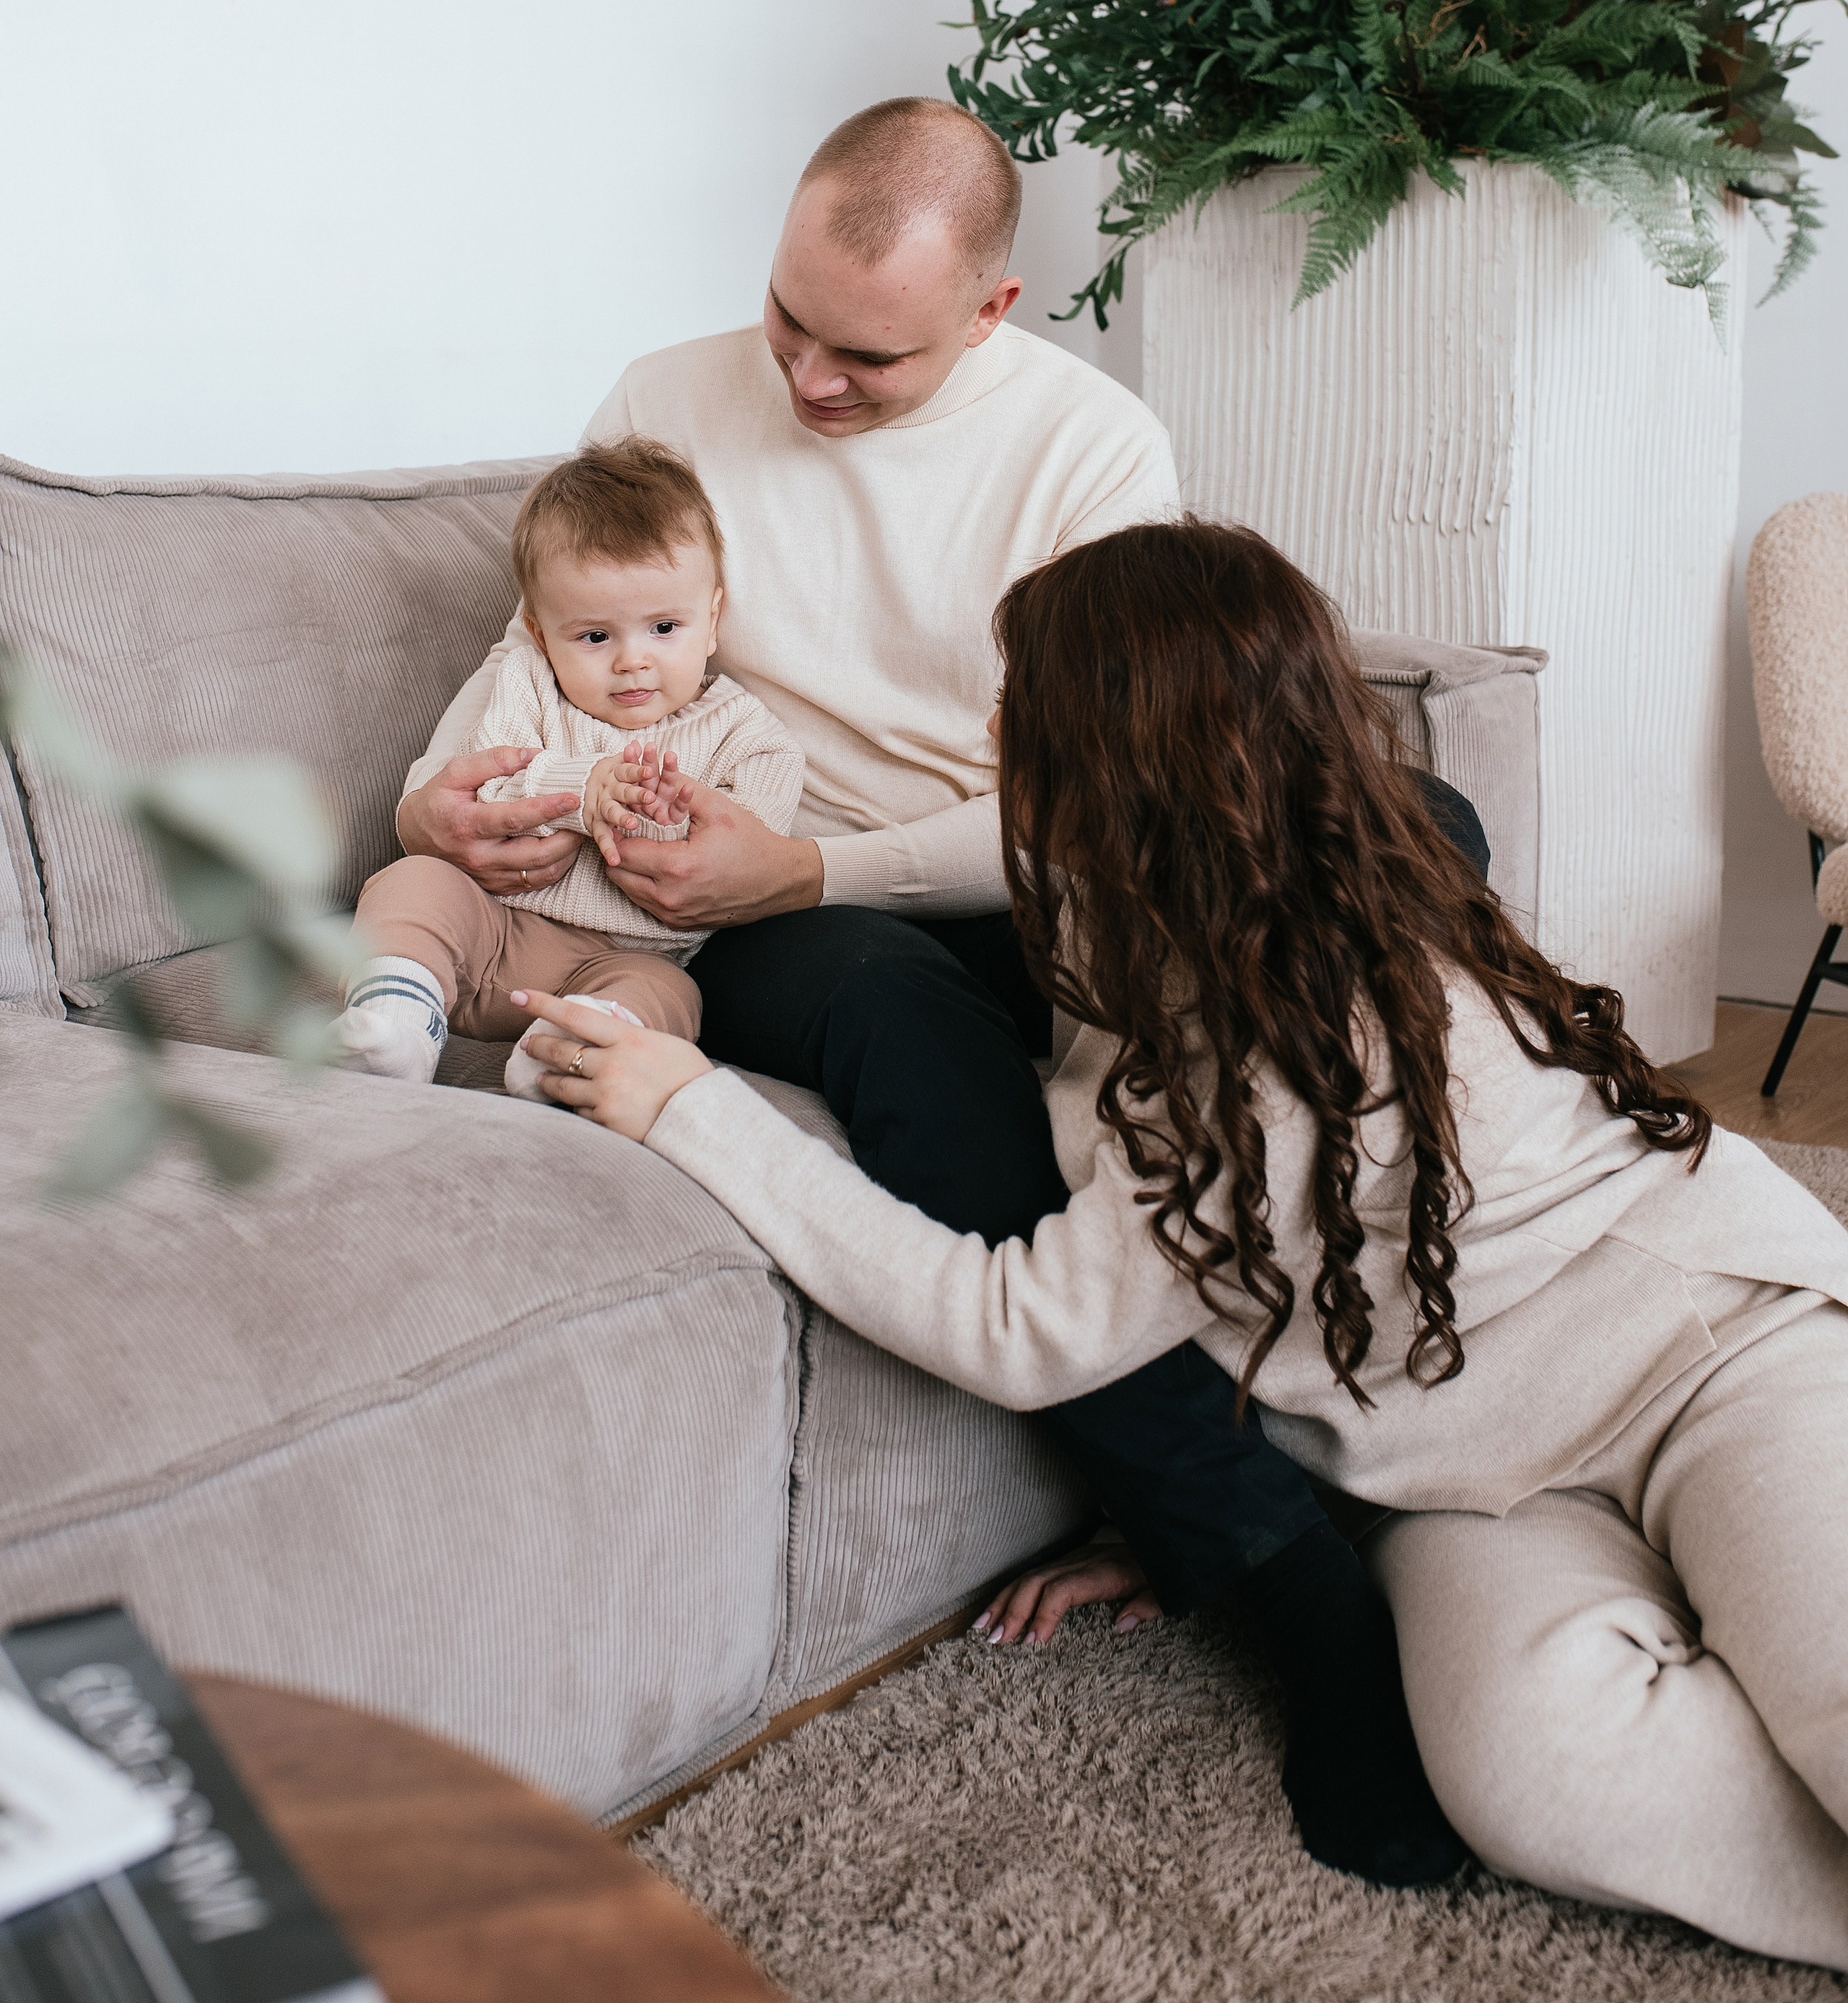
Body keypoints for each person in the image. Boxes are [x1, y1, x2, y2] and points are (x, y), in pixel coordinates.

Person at [397, 95, 1484, 1884]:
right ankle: (1280, 1572)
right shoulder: (660, 396)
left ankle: (1420, 1395)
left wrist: (822, 856)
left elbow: (1111, 790)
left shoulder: (1086, 447)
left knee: (1404, 826)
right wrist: (466, 805)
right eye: (786, 324)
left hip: (1030, 864)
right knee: (894, 1016)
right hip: (761, 921)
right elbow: (547, 663)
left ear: (992, 310)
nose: (807, 383)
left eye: (867, 356)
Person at [513, 519, 1848, 1971]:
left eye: (1016, 710)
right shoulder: (1130, 913)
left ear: (1110, 762)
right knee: (1533, 1778)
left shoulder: (1303, 1018)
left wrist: (692, 1111)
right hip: (1475, 1488)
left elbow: (1020, 1328)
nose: (991, 731)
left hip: (1705, 1360)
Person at [337, 440, 803, 1089]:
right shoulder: (529, 683)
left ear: (714, 619)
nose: (633, 661)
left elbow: (742, 858)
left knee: (672, 996)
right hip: (492, 925)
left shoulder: (751, 737)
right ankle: (397, 1021)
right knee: (413, 882)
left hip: (625, 957)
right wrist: (583, 789)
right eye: (595, 636)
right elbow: (488, 785)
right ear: (539, 630)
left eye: (665, 628)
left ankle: (563, 1053)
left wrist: (665, 811)